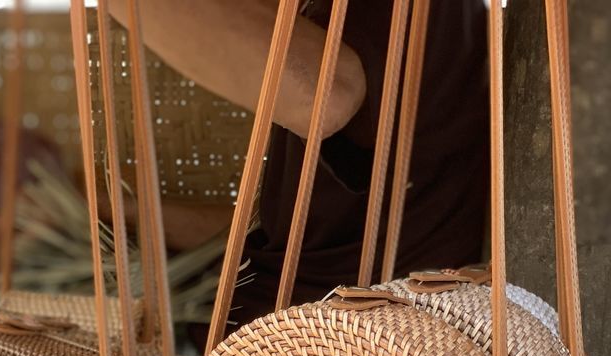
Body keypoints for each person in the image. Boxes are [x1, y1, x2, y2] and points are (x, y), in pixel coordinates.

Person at [112, 0, 489, 335]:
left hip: (346, 347)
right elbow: (283, 238)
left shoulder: (375, 18)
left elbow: (325, 97)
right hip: (322, 314)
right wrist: (105, 210)